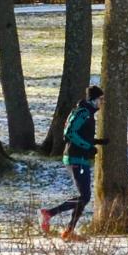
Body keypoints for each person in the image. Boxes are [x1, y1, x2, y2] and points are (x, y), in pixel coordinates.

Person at [41, 85, 104, 239]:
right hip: (75, 158)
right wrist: (87, 146)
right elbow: (69, 133)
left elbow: (80, 133)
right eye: (101, 99)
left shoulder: (85, 112)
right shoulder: (84, 113)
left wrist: (96, 141)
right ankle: (48, 213)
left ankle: (69, 231)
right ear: (93, 99)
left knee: (83, 197)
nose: (102, 103)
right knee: (84, 197)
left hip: (79, 158)